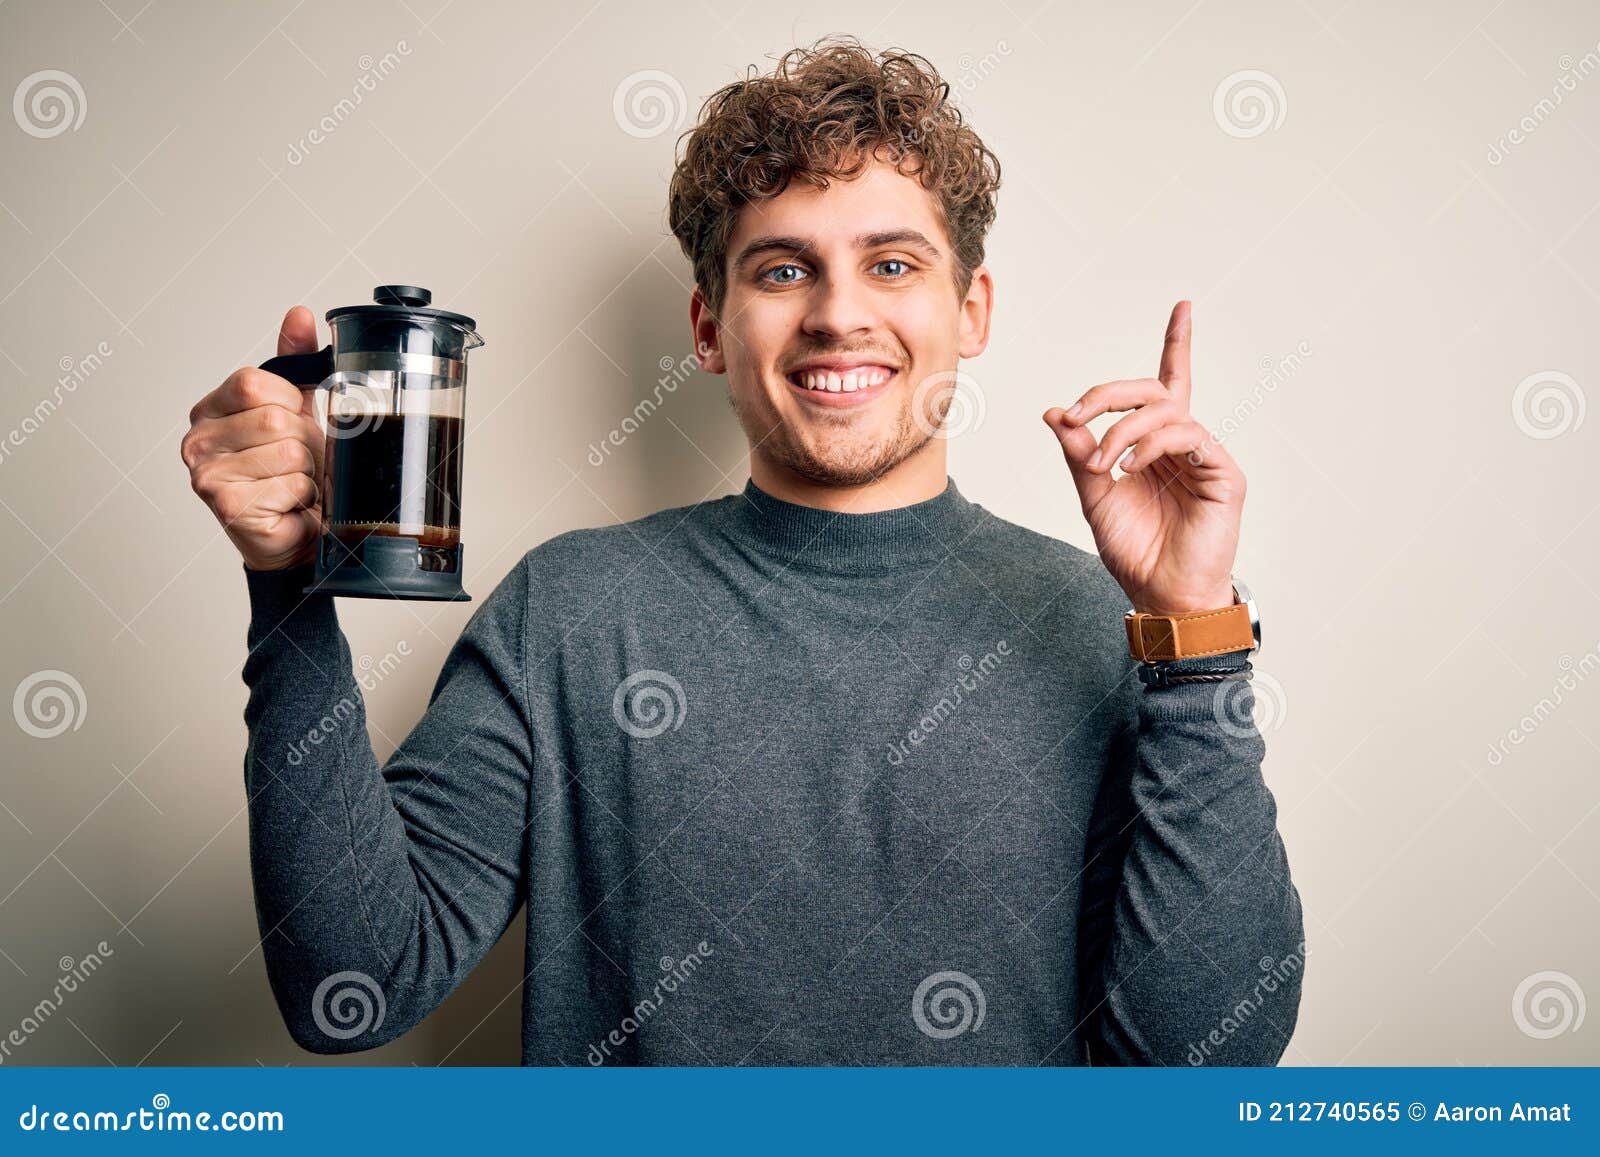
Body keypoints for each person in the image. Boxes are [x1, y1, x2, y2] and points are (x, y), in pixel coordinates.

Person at [179, 38, 1303, 1066]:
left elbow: (1202, 1067)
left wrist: (1196, 634)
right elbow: (353, 981)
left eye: (894, 265)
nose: (836, 314)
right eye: (781, 270)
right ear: (710, 327)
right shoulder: (570, 612)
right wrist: (287, 582)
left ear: (973, 309)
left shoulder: (1103, 625)